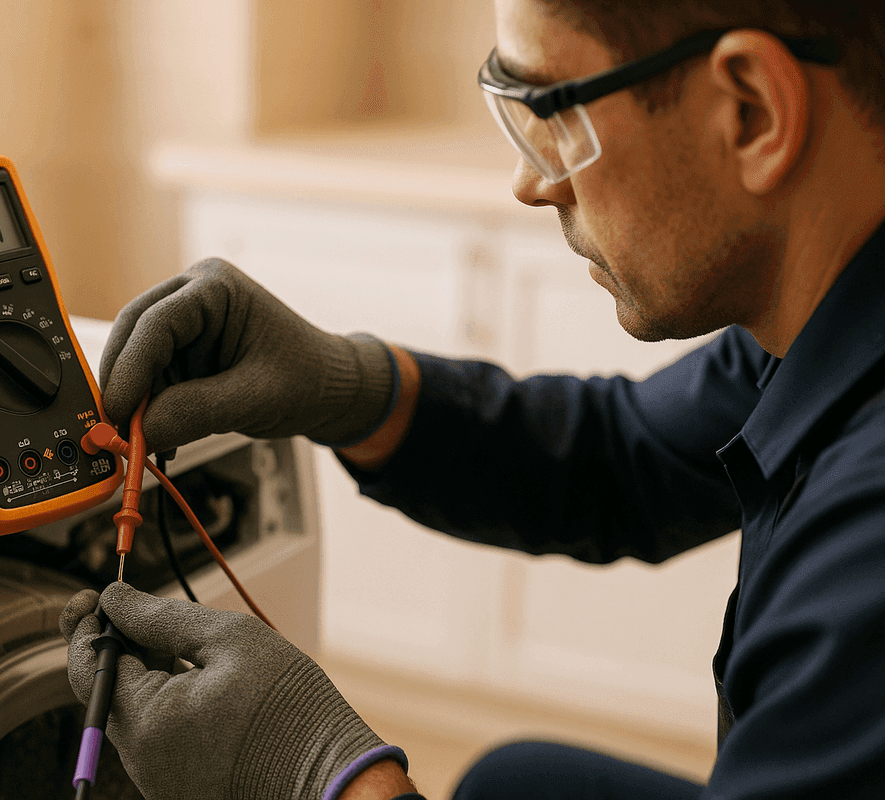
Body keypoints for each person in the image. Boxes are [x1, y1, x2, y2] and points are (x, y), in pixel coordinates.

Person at [59, 0, 885, 796]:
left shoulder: (864, 554)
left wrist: (325, 779)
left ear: (749, 112)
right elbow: (619, 455)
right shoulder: (825, 309)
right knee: (515, 784)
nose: (531, 182)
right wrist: (349, 388)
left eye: (552, 114)